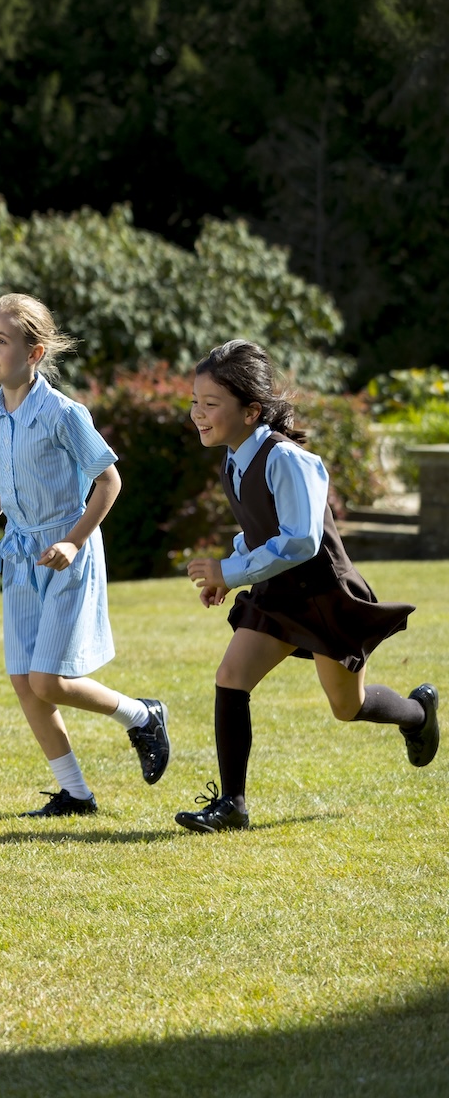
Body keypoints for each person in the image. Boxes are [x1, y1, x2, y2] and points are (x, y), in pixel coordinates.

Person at [175, 339, 438, 833]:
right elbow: (259, 529)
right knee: (231, 675)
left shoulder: (289, 459)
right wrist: (232, 569)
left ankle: (417, 715)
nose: (197, 414)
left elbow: (299, 541)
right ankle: (233, 804)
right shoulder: (233, 457)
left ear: (251, 411)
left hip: (322, 597)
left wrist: (230, 573)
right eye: (195, 401)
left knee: (347, 706)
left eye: (210, 404)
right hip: (276, 596)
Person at [0, 294, 171, 816]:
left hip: (68, 554)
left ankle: (142, 715)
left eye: (1, 341)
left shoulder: (65, 414)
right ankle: (77, 794)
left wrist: (73, 540)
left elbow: (109, 481)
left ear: (35, 352)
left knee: (49, 680)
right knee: (26, 682)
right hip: (20, 559)